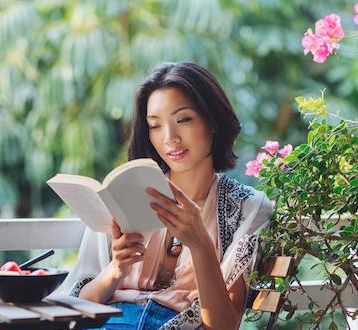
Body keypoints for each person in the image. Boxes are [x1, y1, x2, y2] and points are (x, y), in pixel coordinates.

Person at [62, 62, 273, 330]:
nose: (170, 137)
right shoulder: (123, 192)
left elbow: (223, 326)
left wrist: (201, 246)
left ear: (213, 121)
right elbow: (80, 309)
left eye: (183, 119)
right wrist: (116, 270)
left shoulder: (248, 208)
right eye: (155, 125)